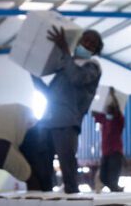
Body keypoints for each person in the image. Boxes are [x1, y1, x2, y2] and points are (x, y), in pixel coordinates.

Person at [30, 28, 103, 193]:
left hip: (66, 122)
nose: (87, 44)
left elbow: (77, 79)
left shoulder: (92, 67)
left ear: (96, 51)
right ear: (78, 41)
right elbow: (49, 94)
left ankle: (73, 204)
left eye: (92, 44)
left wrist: (64, 50)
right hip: (49, 120)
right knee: (44, 169)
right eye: (85, 40)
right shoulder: (66, 66)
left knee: (67, 168)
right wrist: (33, 73)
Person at [93, 91, 125, 192]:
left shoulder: (118, 120)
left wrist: (113, 96)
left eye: (109, 109)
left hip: (115, 152)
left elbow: (117, 109)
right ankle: (115, 188)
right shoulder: (104, 120)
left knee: (112, 180)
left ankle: (115, 189)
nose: (107, 110)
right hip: (106, 152)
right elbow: (94, 112)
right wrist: (97, 98)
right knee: (103, 178)